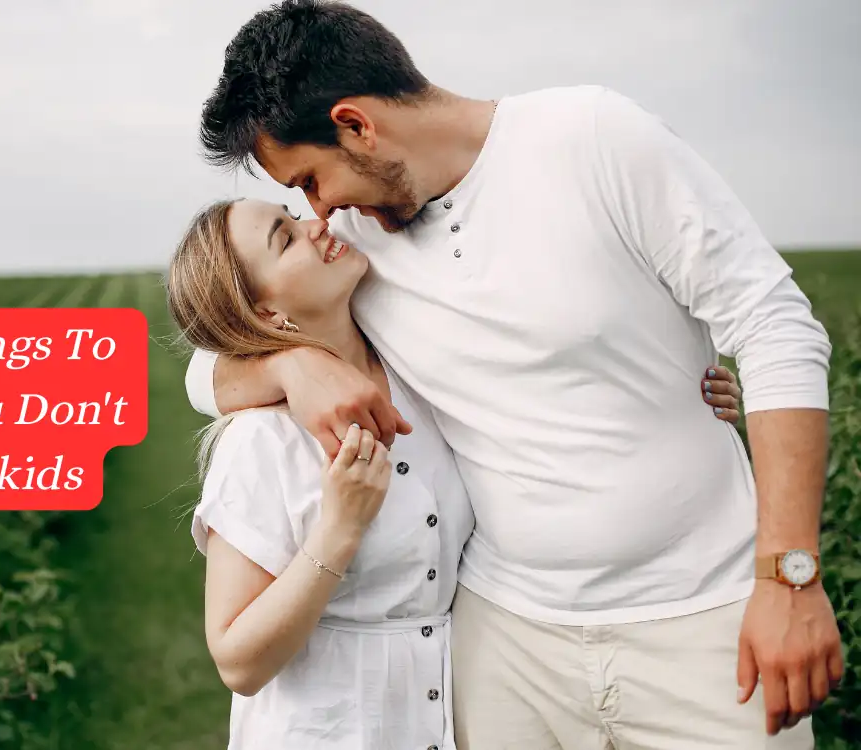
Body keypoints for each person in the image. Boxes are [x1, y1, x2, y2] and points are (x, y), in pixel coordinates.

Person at [182, 1, 843, 748]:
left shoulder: (592, 139)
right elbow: (212, 360)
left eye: (310, 179)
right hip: (504, 642)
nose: (320, 212)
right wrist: (295, 366)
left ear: (356, 126)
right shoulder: (357, 247)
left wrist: (789, 577)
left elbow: (776, 325)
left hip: (705, 618)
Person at [166, 196, 743, 749]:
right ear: (267, 313)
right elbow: (238, 662)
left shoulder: (417, 373)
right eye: (286, 239)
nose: (318, 223)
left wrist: (677, 387)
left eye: (294, 214)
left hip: (444, 719)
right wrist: (339, 530)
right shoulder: (261, 441)